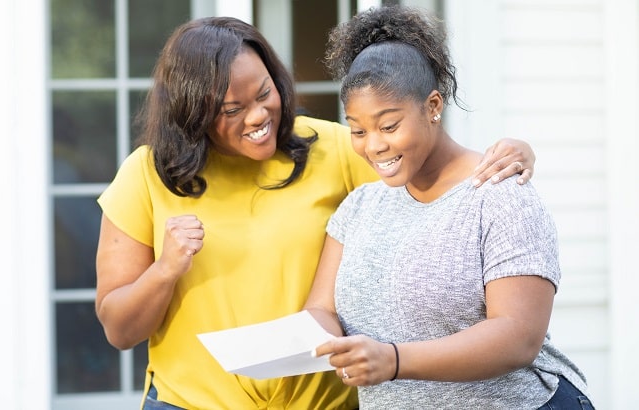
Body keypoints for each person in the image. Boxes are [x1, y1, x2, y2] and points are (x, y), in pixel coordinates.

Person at [95, 15, 536, 410]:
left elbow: (422, 165)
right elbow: (119, 330)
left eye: (265, 93)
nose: (258, 116)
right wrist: (165, 270)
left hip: (326, 405)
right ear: (193, 113)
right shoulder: (145, 176)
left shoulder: (334, 147)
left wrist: (512, 151)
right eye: (232, 109)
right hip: (190, 404)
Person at [304, 5, 593, 409]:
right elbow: (321, 308)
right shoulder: (360, 207)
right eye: (358, 130)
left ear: (433, 106)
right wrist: (313, 341)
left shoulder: (499, 194)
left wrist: (395, 359)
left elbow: (518, 336)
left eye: (389, 126)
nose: (373, 145)